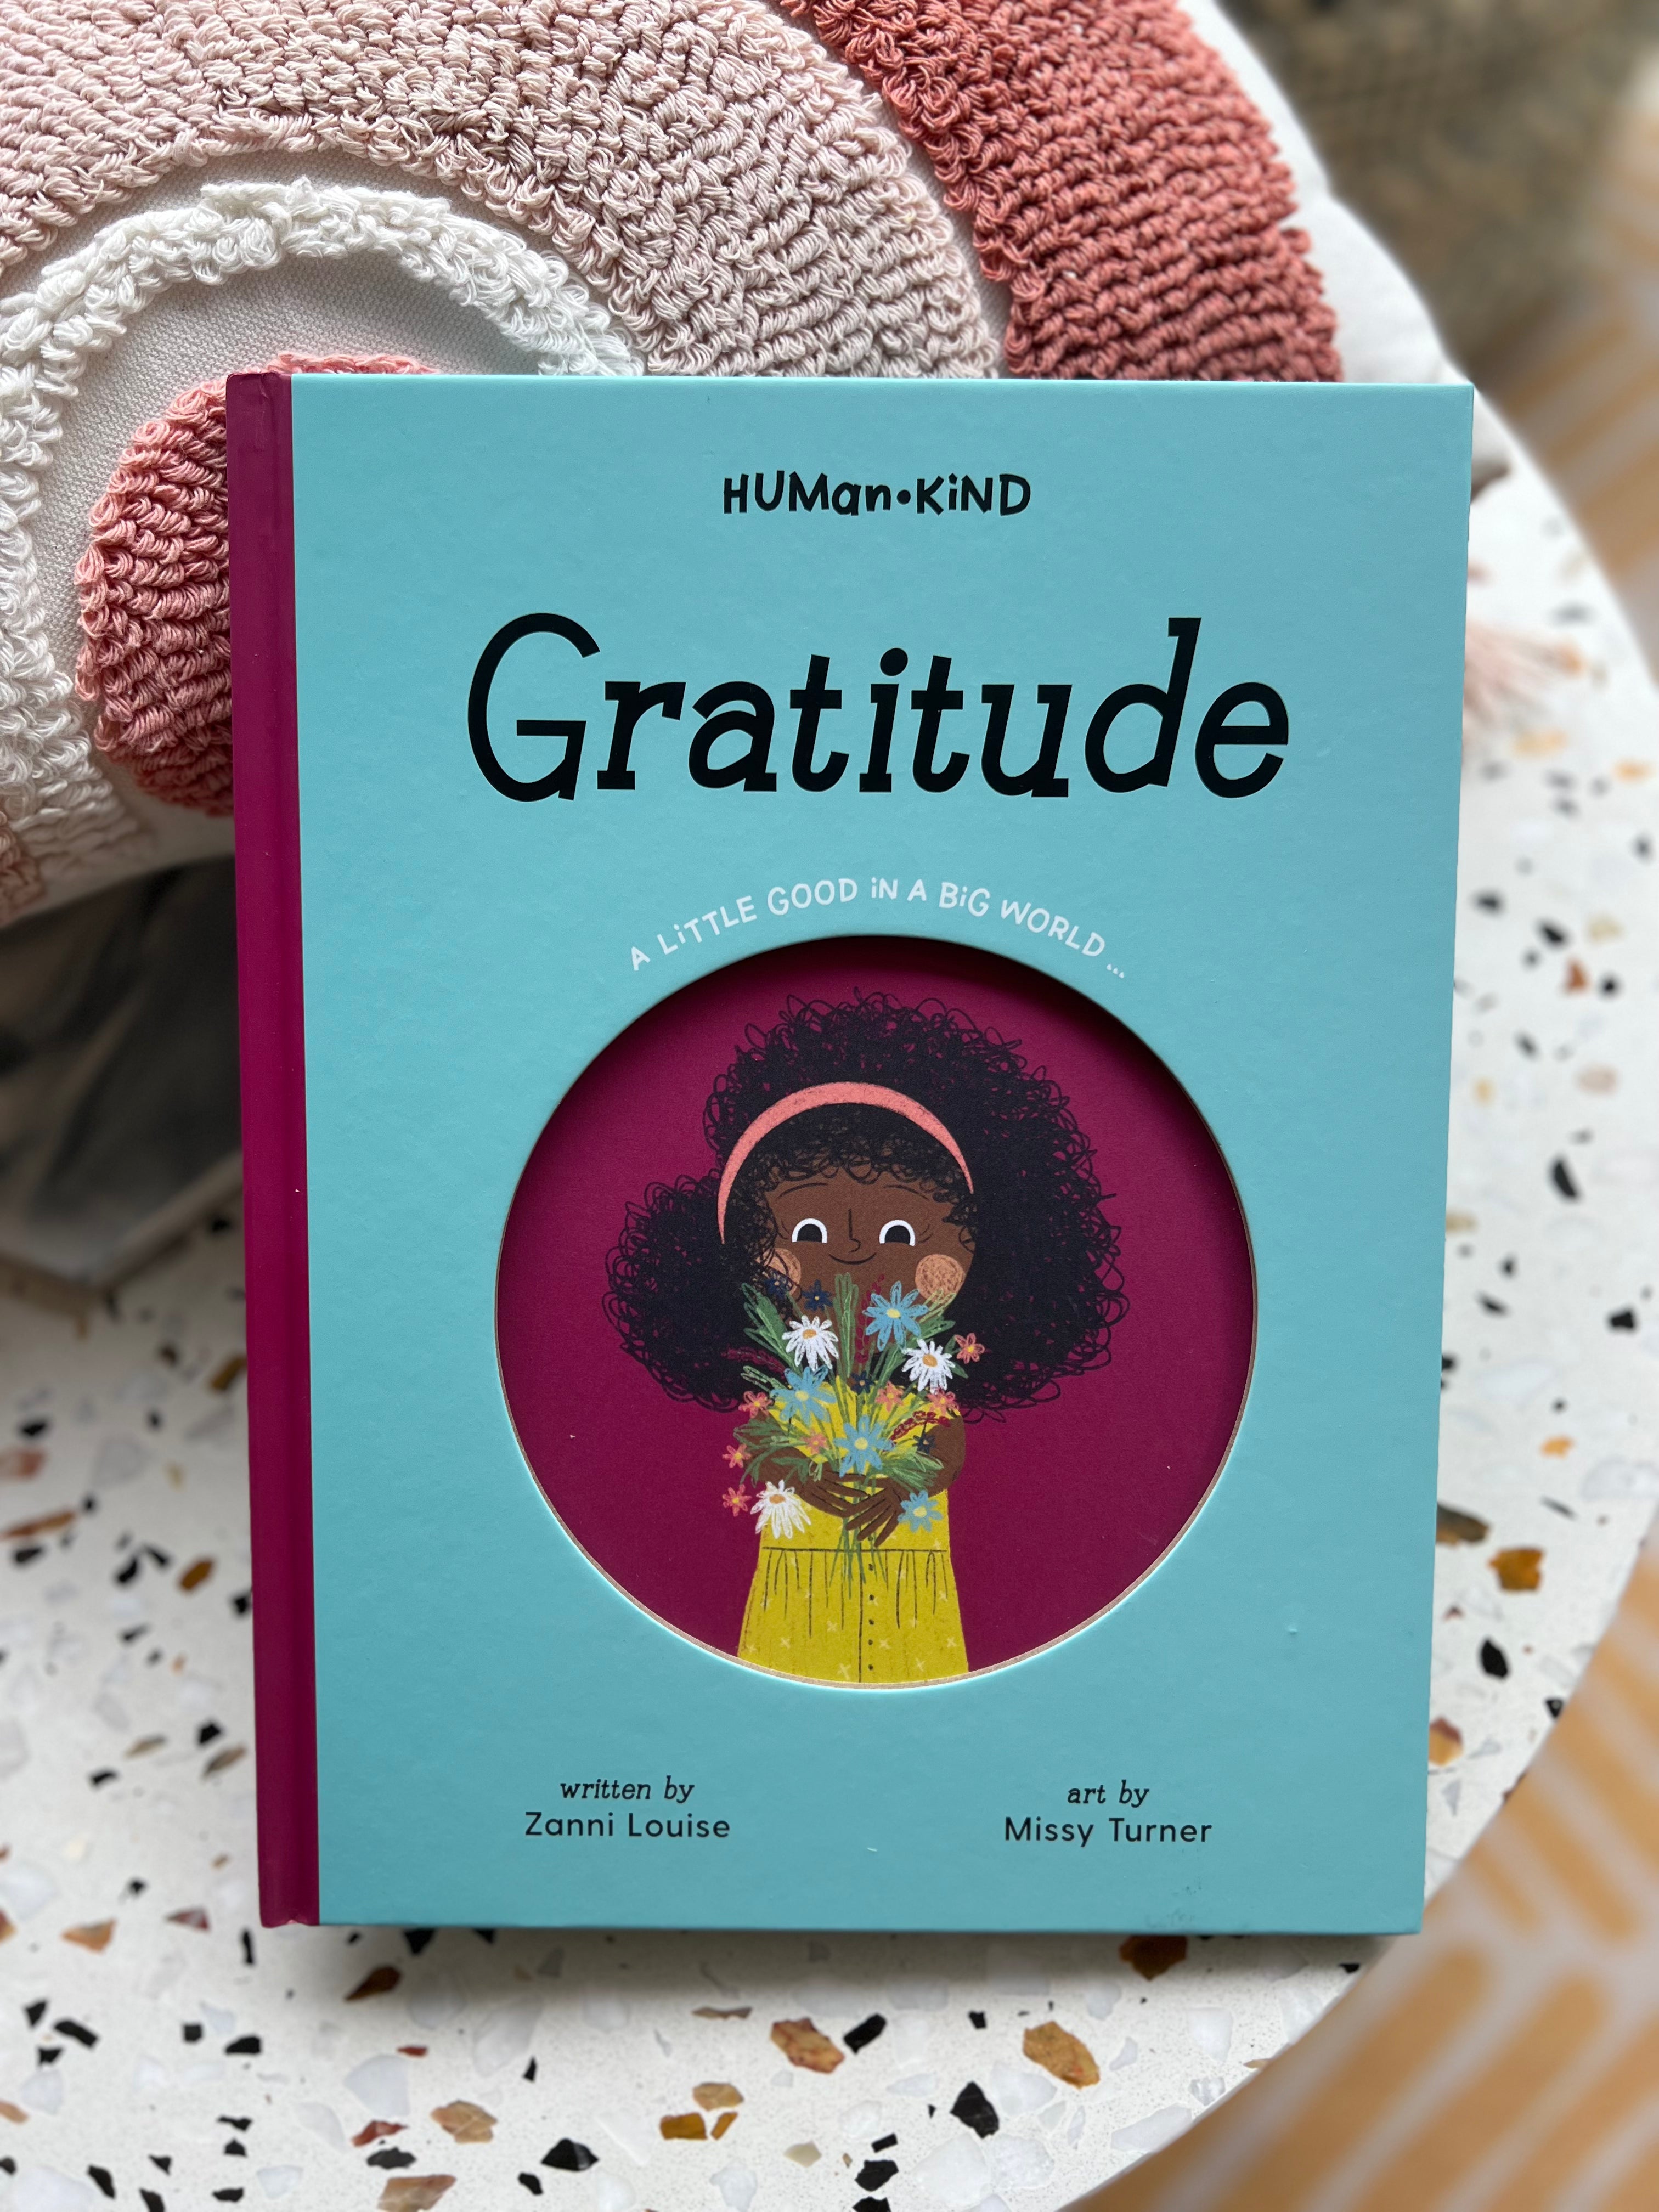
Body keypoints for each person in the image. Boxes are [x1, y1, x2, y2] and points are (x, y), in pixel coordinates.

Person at [606, 991, 1125, 1684]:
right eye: (809, 1231)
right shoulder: (791, 1384)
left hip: (909, 1572)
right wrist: (804, 1476)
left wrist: (904, 1489)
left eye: (900, 1232)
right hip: (803, 1579)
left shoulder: (924, 1379)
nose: (852, 1252)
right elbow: (765, 1448)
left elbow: (944, 1446)